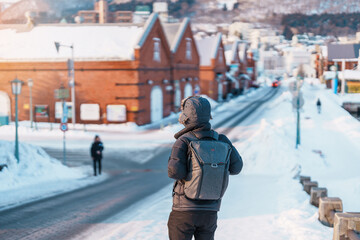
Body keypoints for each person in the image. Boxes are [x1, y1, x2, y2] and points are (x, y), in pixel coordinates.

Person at [167, 96, 243, 240]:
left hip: (184, 210)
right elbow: (236, 168)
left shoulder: (183, 141)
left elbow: (175, 172)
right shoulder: (222, 140)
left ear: (186, 116)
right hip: (210, 211)